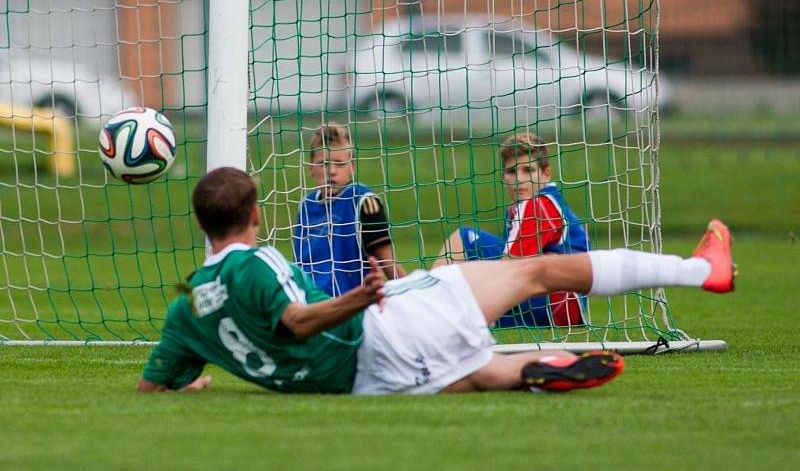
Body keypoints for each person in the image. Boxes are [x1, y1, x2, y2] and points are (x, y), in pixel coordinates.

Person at [137, 167, 735, 395]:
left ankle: (533, 368)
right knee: (533, 271)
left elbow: (151, 389)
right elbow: (293, 323)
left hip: (360, 384)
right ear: (255, 215)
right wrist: (359, 297)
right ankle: (701, 270)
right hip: (379, 323)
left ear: (199, 223)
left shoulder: (184, 309)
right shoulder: (256, 262)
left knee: (474, 373)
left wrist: (186, 388)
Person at [433, 132, 590, 328]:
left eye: (528, 170)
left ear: (546, 173)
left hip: (553, 306)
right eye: (512, 171)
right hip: (561, 309)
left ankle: (430, 303)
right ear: (503, 176)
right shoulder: (546, 203)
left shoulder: (537, 207)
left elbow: (507, 270)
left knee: (465, 237)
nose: (519, 179)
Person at [293, 123, 406, 297]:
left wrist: (411, 297)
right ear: (310, 168)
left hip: (352, 308)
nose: (331, 171)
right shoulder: (306, 206)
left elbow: (388, 264)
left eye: (339, 164)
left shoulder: (362, 201)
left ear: (352, 167)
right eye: (323, 164)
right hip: (311, 307)